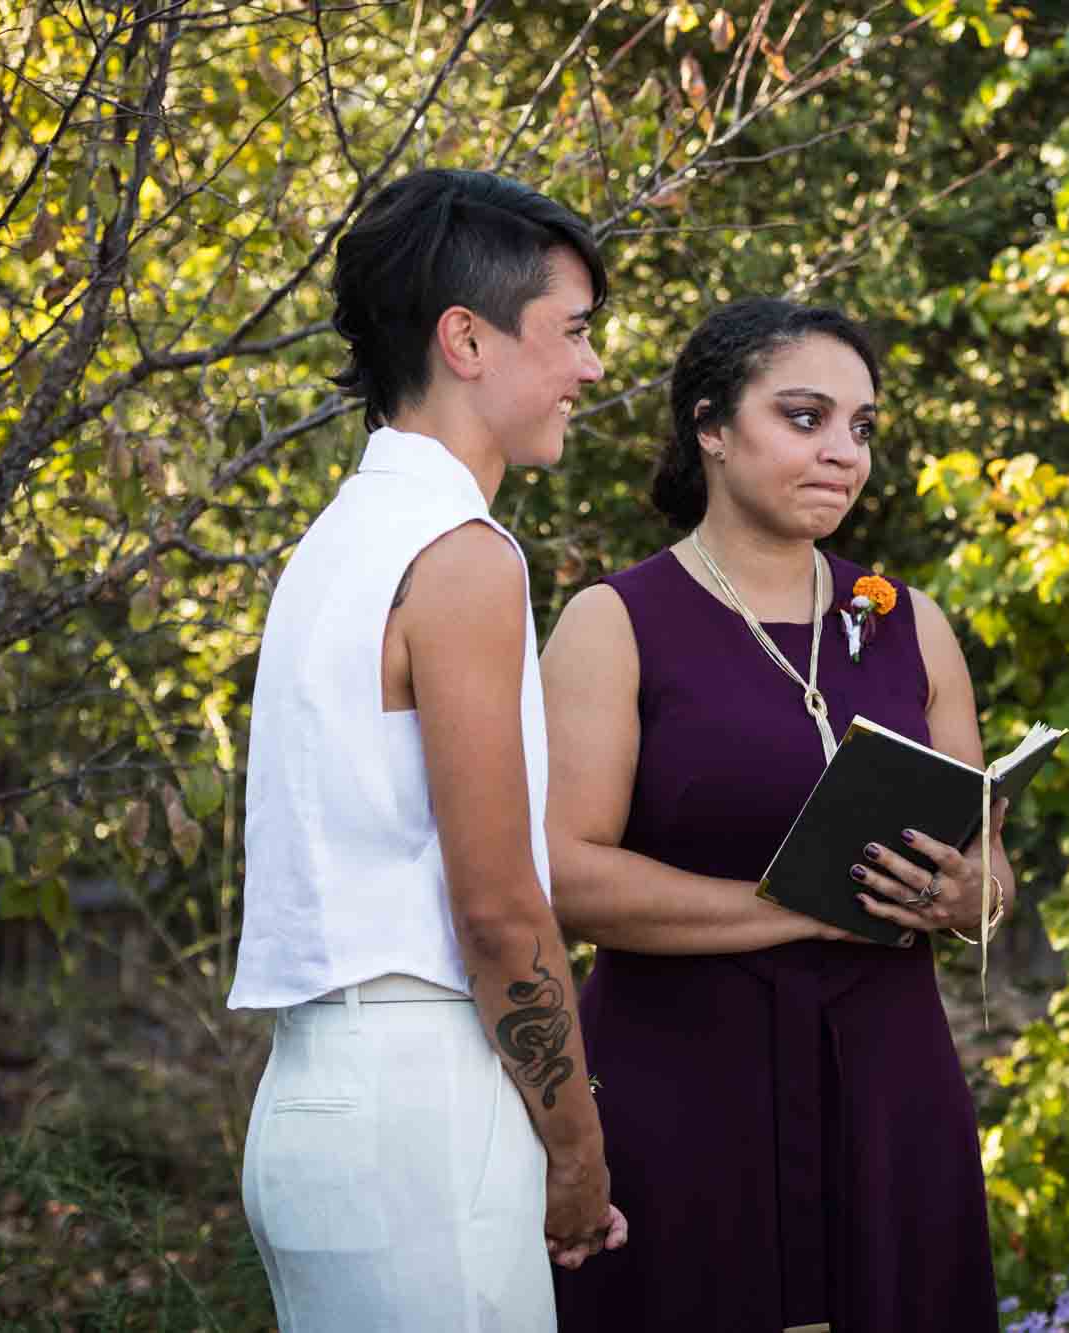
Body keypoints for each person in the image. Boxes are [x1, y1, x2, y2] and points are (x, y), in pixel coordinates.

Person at [541, 297, 1005, 1332]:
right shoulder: (614, 623)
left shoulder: (910, 623)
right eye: (804, 417)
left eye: (862, 427)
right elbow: (563, 874)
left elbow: (984, 872)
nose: (843, 451)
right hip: (681, 1091)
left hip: (888, 1088)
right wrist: (804, 909)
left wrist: (971, 892)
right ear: (709, 425)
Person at [229, 167, 629, 1331]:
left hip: (314, 1097)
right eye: (572, 333)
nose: (590, 369)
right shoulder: (460, 552)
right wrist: (577, 1150)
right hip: (421, 1107)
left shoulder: (337, 542)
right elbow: (499, 906)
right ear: (466, 338)